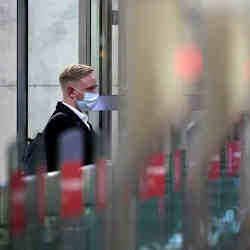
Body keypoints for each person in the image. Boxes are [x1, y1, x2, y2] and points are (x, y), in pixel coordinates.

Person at [44, 64, 98, 172]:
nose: (95, 93)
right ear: (71, 92)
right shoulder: (61, 124)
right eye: (90, 89)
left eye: (95, 88)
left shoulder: (78, 120)